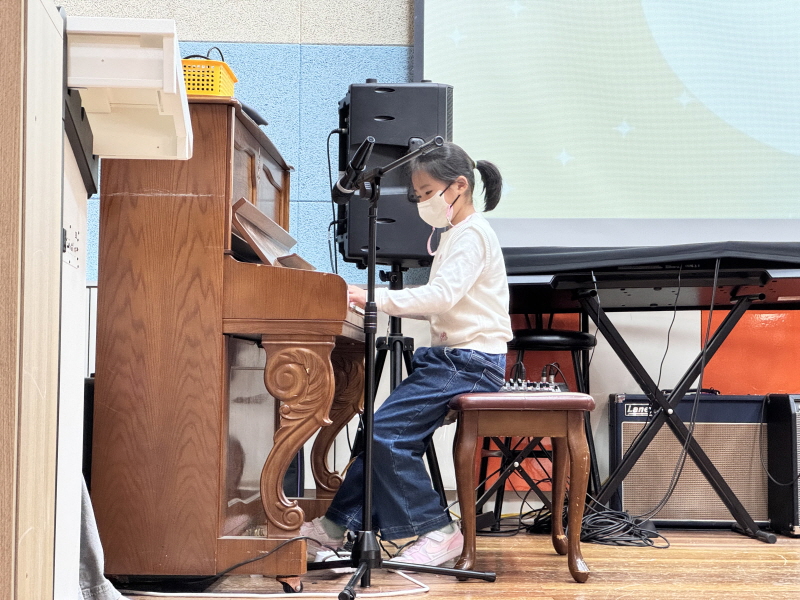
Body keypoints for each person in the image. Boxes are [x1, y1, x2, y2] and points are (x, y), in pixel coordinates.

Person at [300, 141, 512, 566]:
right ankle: (335, 528)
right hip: (455, 360)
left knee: (386, 435)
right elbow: (441, 303)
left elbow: (441, 296)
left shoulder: (472, 235)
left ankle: (440, 532)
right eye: (418, 195)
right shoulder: (456, 234)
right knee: (376, 435)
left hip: (472, 362)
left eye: (428, 191)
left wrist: (374, 298)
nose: (422, 201)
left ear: (460, 186)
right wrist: (374, 300)